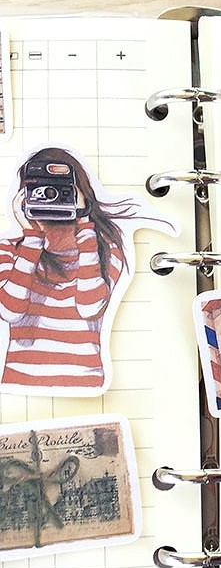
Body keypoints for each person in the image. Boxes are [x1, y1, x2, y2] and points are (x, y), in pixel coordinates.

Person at [0, 146, 151, 392]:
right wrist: (31, 239)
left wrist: (83, 221)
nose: (50, 196)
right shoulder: (9, 250)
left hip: (85, 382)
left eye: (61, 191)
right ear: (22, 196)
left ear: (81, 194)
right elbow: (9, 311)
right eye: (39, 191)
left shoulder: (104, 251)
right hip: (22, 382)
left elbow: (89, 307)